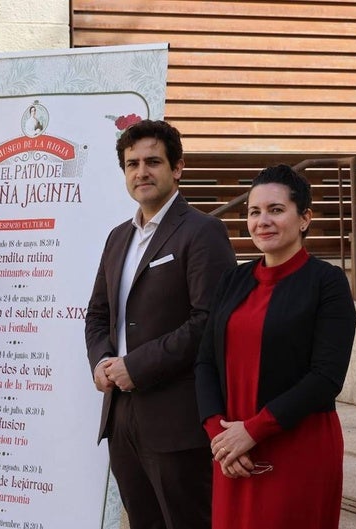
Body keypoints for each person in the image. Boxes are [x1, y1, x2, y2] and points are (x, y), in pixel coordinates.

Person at [85, 119, 236, 529]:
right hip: (120, 417)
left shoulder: (203, 232)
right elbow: (98, 314)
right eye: (132, 164)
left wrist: (137, 366)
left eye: (153, 161)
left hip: (177, 419)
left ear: (178, 168)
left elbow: (209, 322)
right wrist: (101, 362)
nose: (141, 172)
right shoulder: (118, 237)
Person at [194, 164, 356, 529]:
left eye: (276, 210)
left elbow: (326, 377)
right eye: (254, 212)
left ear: (305, 218)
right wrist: (219, 436)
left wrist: (252, 430)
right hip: (232, 451)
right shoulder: (233, 279)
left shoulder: (327, 283)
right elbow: (205, 361)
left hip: (298, 447)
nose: (262, 221)